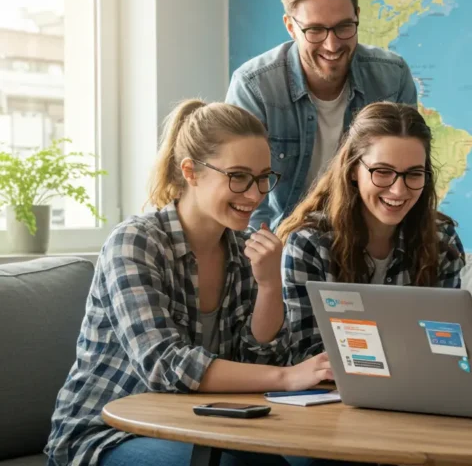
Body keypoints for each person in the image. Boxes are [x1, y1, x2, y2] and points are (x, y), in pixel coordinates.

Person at [46, 100, 332, 466]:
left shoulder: (244, 250)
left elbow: (253, 364)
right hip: (107, 433)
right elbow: (164, 365)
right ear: (191, 172)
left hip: (198, 425)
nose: (256, 193)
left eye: (264, 177)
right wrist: (288, 377)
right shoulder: (135, 242)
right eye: (239, 176)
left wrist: (270, 287)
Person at [227, 0, 418, 231]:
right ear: (291, 27)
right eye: (315, 30)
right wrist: (265, 260)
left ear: (357, 16)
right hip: (281, 240)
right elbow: (242, 195)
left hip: (364, 237)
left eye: (343, 27)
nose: (332, 44)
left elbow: (406, 175)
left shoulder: (392, 77)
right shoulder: (254, 86)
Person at [278, 102, 465, 364]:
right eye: (383, 172)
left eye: (413, 174)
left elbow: (446, 349)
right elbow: (305, 353)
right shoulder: (308, 243)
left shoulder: (442, 240)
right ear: (354, 169)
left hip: (416, 391)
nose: (398, 191)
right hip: (333, 395)